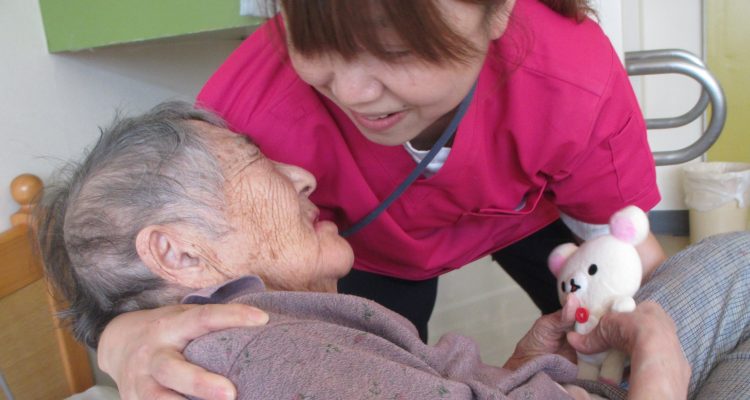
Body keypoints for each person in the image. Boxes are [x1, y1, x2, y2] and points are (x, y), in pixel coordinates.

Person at [98, 0, 670, 396]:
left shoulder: (570, 79)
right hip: (368, 249)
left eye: (395, 50)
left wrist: (647, 337)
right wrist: (120, 338)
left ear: (498, 11)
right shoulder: (246, 117)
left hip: (525, 215)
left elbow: (631, 254)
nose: (353, 91)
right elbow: (140, 270)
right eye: (313, 43)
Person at [41, 103, 748, 400]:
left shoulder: (279, 338)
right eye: (255, 160)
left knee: (723, 265)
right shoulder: (270, 357)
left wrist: (518, 370)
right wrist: (660, 372)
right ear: (179, 254)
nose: (301, 175)